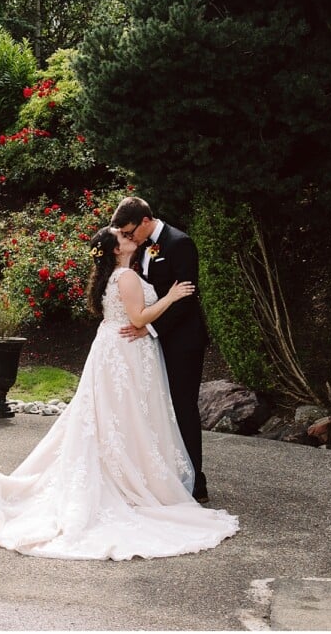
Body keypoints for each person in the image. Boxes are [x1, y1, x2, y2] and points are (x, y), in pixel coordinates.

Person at [0, 227, 238, 560]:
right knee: (124, 416)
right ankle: (125, 480)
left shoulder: (117, 276)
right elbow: (138, 317)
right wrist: (171, 297)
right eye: (124, 236)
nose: (130, 236)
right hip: (125, 352)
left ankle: (121, 472)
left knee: (114, 418)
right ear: (116, 249)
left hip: (115, 349)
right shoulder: (125, 277)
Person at [111, 196, 210, 502]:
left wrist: (149, 328)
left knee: (182, 407)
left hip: (182, 341)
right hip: (150, 343)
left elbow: (185, 299)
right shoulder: (140, 247)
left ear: (145, 221)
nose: (129, 238)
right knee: (154, 408)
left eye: (131, 232)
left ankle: (196, 482)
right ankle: (163, 476)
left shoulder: (179, 243)